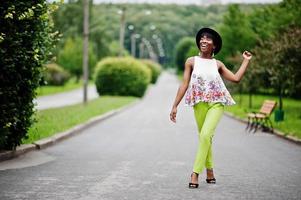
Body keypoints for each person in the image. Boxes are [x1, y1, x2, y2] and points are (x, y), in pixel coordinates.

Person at [169, 27, 252, 189]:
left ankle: (195, 173)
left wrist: (246, 61)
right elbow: (184, 84)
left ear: (214, 45)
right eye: (202, 38)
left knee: (206, 134)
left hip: (217, 103)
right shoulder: (191, 62)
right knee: (205, 138)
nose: (203, 40)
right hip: (199, 102)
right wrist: (175, 105)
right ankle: (210, 171)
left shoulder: (218, 64)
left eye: (208, 39)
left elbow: (235, 79)